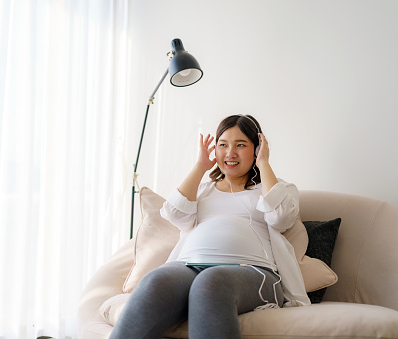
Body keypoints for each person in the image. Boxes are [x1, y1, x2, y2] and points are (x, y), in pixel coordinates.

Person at [110, 115, 310, 339]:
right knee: (156, 280)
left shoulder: (276, 188)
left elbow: (281, 218)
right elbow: (175, 215)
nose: (230, 153)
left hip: (254, 271)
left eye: (240, 145)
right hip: (189, 266)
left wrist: (264, 163)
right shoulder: (203, 190)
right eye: (222, 145)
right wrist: (200, 166)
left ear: (257, 148)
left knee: (211, 283)